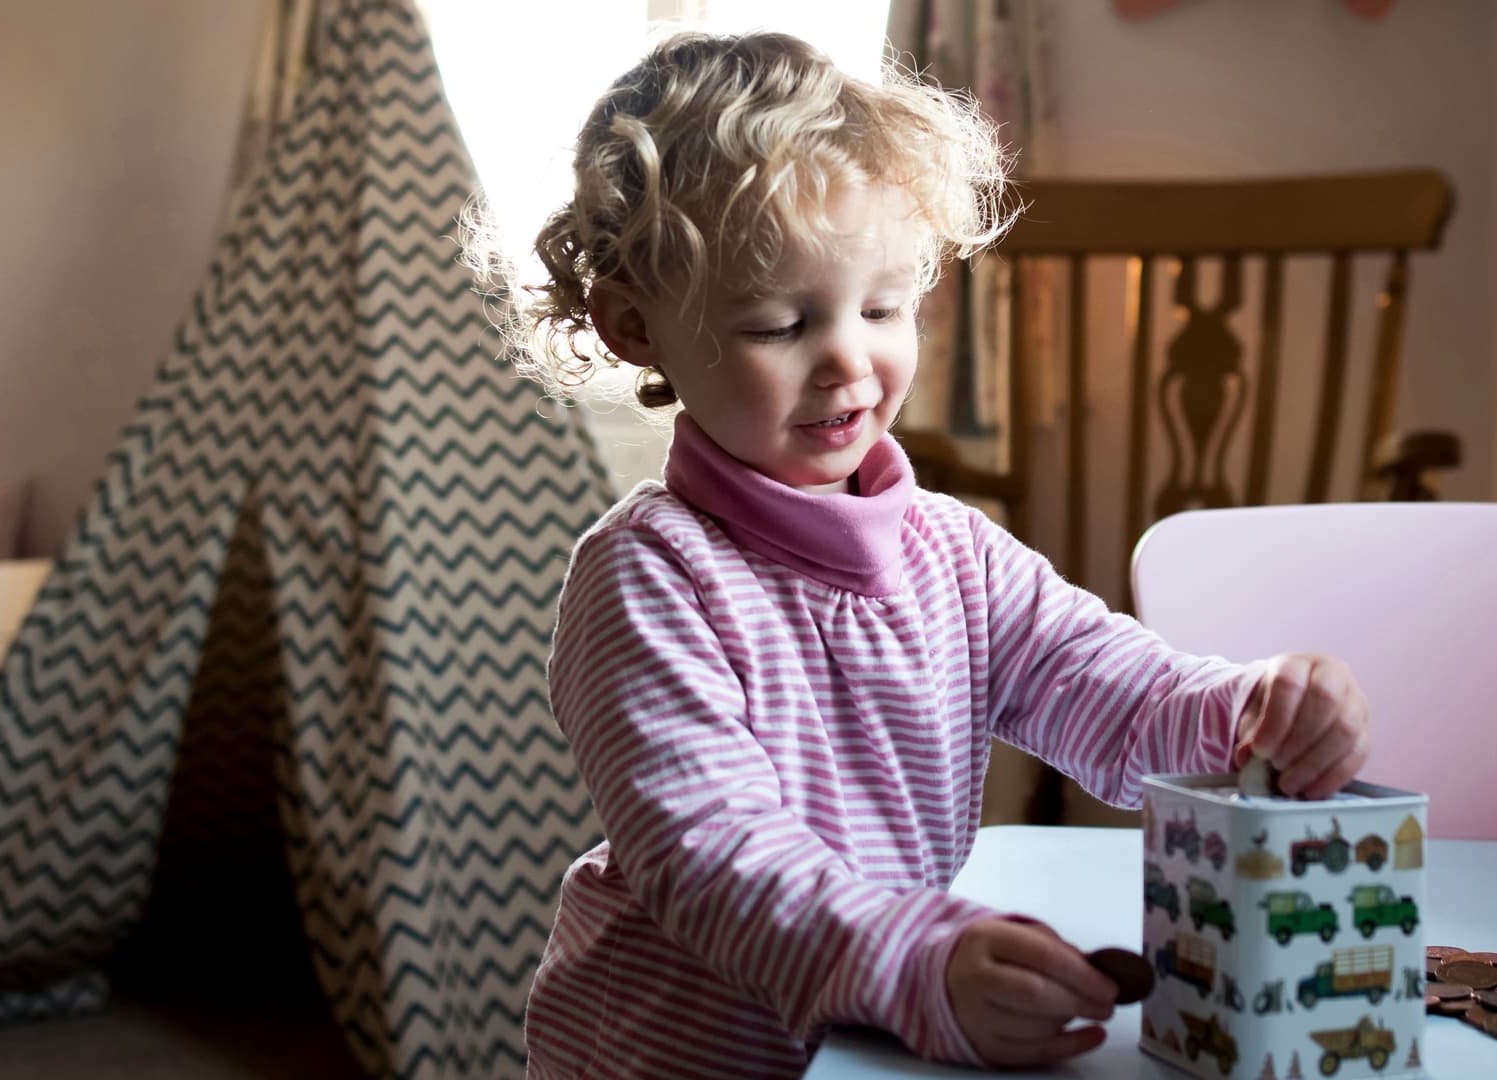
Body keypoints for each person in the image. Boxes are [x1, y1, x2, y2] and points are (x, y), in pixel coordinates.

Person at [492, 30, 1371, 1078]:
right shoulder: (647, 576)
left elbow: (1117, 692)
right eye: (781, 324)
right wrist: (921, 962)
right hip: (667, 1060)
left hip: (872, 1042)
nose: (850, 360)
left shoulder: (953, 554)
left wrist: (1252, 710)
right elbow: (714, 857)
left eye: (884, 307)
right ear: (639, 326)